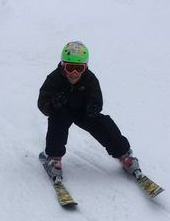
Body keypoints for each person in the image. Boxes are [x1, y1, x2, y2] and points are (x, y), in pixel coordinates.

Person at [38, 41, 140, 180]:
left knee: (103, 123)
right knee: (57, 122)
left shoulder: (90, 79)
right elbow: (42, 102)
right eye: (70, 67)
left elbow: (97, 98)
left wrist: (94, 107)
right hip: (62, 112)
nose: (74, 73)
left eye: (79, 69)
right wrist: (52, 104)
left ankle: (124, 154)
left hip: (83, 112)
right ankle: (54, 158)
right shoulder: (54, 79)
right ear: (63, 65)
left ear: (85, 67)